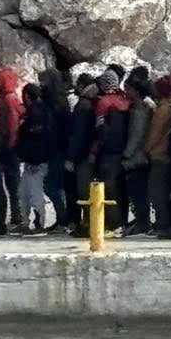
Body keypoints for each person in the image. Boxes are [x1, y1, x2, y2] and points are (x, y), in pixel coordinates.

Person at [93, 70, 133, 235]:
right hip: (124, 151)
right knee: (122, 189)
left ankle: (112, 223)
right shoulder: (126, 100)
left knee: (109, 189)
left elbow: (100, 130)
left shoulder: (103, 103)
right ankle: (122, 221)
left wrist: (94, 152)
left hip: (108, 153)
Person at [0, 67, 25, 233]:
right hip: (11, 148)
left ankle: (4, 220)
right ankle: (16, 216)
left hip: (7, 149)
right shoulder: (11, 98)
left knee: (3, 184)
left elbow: (9, 126)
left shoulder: (7, 99)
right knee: (13, 184)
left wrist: (1, 148)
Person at [15, 81, 53, 235]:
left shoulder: (36, 113)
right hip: (32, 161)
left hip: (36, 162)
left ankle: (39, 224)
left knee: (34, 193)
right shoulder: (39, 111)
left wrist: (34, 160)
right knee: (24, 192)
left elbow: (37, 139)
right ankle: (26, 223)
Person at [38, 69, 74, 231]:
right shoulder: (54, 99)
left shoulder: (55, 101)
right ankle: (63, 218)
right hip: (53, 148)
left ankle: (63, 218)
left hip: (57, 149)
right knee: (53, 185)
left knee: (53, 185)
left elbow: (58, 127)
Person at [64, 72, 99, 237]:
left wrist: (71, 157)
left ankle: (87, 225)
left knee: (83, 191)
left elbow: (77, 135)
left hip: (82, 156)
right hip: (89, 154)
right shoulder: (92, 103)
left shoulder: (83, 105)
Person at [122, 72, 156, 236]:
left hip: (138, 157)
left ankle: (143, 222)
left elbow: (137, 133)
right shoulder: (146, 104)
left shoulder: (141, 107)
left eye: (128, 89)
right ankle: (142, 221)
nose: (126, 92)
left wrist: (127, 154)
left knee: (138, 192)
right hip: (144, 154)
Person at [147, 75, 171, 238]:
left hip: (159, 153)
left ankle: (162, 223)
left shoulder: (164, 109)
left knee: (157, 191)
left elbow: (155, 133)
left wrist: (146, 149)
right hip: (170, 154)